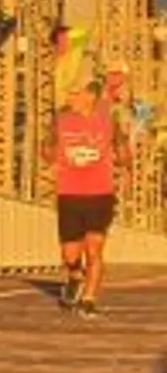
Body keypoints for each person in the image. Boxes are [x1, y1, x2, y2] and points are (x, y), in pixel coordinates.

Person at [47, 74, 124, 317]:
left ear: (90, 96)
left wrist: (125, 166)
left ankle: (89, 299)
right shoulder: (61, 119)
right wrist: (49, 156)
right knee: (70, 253)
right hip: (69, 191)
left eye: (74, 93)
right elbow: (47, 145)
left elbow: (122, 147)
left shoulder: (108, 121)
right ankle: (74, 275)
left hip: (100, 192)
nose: (69, 97)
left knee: (95, 249)